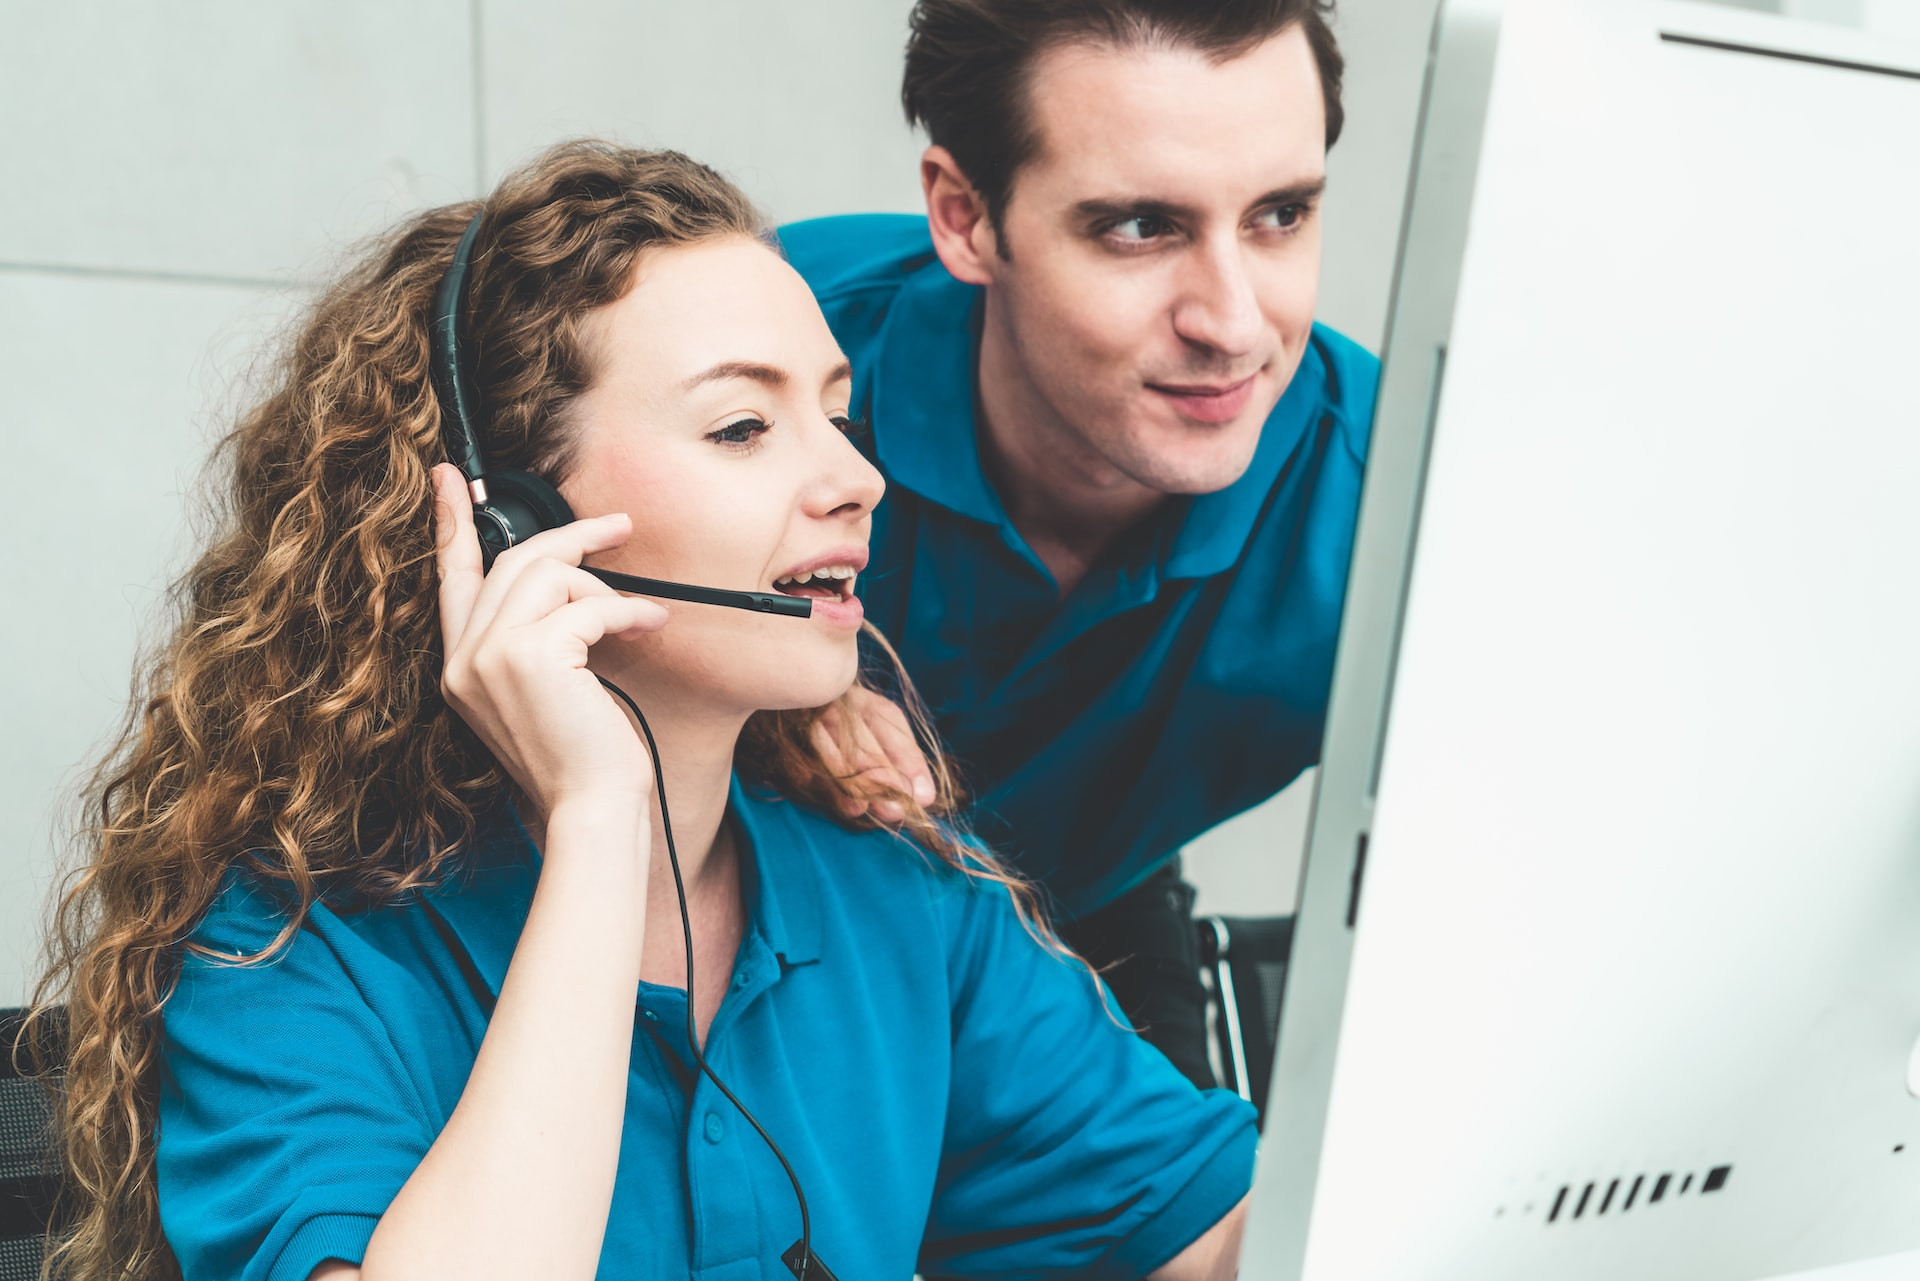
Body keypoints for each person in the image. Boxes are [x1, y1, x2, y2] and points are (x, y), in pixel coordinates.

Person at [26, 142, 1255, 1281]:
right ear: (515, 522)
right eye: (743, 427)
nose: (856, 478)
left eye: (837, 415)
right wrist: (599, 815)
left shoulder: (899, 887)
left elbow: (1226, 1239)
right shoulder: (289, 948)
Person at [780, 0, 1379, 1089]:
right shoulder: (765, 349)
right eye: (1141, 228)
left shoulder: (1396, 502)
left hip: (1076, 901)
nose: (1233, 325)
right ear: (965, 218)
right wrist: (747, 694)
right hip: (732, 903)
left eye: (1280, 214)